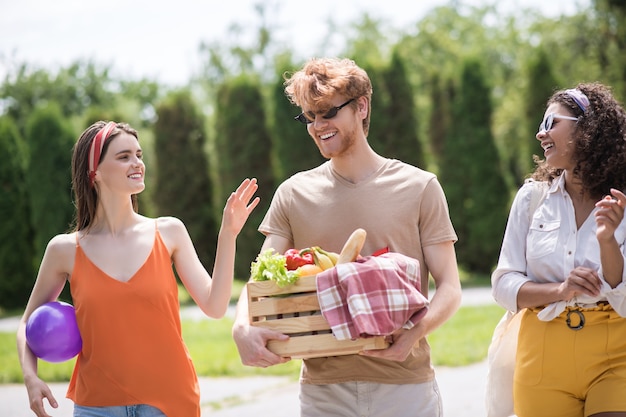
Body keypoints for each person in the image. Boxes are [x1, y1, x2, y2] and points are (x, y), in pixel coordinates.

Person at [231, 57, 462, 417]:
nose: (318, 126)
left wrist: (415, 334)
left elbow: (450, 287)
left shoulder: (419, 187)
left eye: (327, 112)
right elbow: (260, 280)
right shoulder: (294, 194)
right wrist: (241, 327)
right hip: (324, 394)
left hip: (406, 389)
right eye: (309, 116)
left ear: (361, 107)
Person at [16, 120, 260, 417]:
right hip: (97, 406)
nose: (137, 163)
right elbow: (26, 324)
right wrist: (30, 377)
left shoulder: (169, 232)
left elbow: (215, 305)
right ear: (94, 172)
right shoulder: (64, 250)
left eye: (139, 155)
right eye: (124, 157)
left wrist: (228, 234)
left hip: (169, 401)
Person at [491, 82, 626, 417]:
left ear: (589, 131)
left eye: (551, 123)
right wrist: (561, 290)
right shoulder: (531, 198)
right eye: (540, 125)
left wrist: (607, 240)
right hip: (542, 355)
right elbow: (504, 284)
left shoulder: (621, 202)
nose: (540, 134)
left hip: (616, 352)